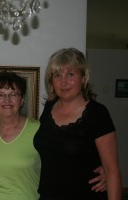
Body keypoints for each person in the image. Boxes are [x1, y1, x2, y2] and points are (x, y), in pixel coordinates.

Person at [33, 48, 122, 200]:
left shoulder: (97, 113)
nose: (63, 82)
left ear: (83, 77)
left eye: (70, 74)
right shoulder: (49, 107)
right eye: (57, 75)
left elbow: (112, 171)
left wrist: (106, 173)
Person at [0, 70, 41, 200]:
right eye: (0, 95)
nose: (7, 100)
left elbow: (58, 164)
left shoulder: (37, 129)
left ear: (22, 99)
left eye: (13, 94)